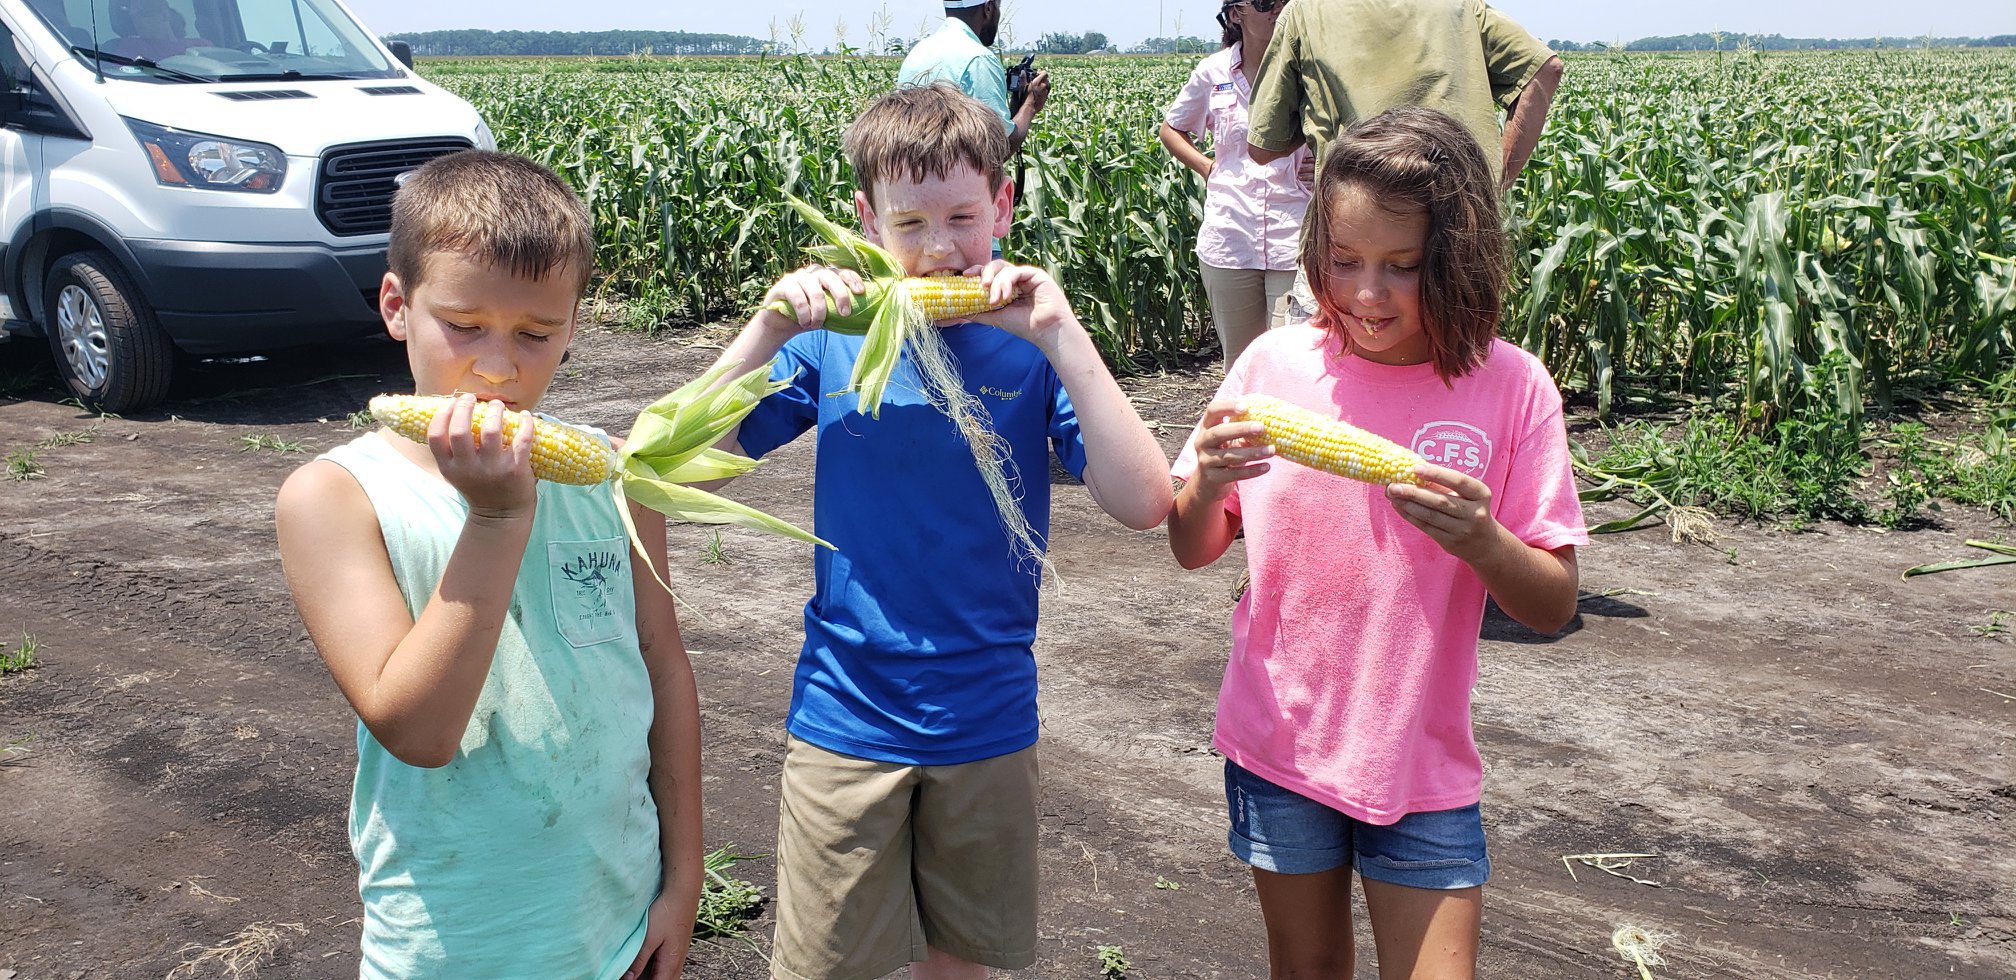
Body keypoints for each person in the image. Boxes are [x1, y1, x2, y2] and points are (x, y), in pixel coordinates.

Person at [704, 82, 1171, 980]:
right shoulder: (830, 342)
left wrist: (1064, 332)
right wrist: (765, 331)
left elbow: (1145, 500)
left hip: (986, 721)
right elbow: (686, 458)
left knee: (962, 965)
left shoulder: (1030, 345)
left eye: (962, 216)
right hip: (846, 718)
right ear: (866, 221)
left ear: (1003, 203)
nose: (939, 250)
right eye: (908, 224)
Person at [1167, 107, 1586, 979]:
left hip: (1420, 759)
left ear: (1457, 258)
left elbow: (1550, 602)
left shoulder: (1509, 386)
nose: (1366, 294)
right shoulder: (1273, 367)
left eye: (1401, 268)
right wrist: (1204, 479)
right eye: (1344, 262)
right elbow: (1194, 544)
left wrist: (1484, 541)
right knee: (1309, 965)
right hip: (1279, 744)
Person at [274, 150, 702, 980]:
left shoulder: (618, 481)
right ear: (397, 306)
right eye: (464, 326)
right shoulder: (334, 499)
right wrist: (501, 517)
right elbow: (419, 730)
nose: (500, 370)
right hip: (452, 944)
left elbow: (663, 667)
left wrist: (683, 881)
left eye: (537, 334)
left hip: (615, 926)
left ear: (575, 325)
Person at [1157, 0, 1312, 370]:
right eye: (1264, 3)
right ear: (1235, 14)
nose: (1277, 9)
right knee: (1240, 367)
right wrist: (1209, 168)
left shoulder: (1310, 70)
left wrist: (1324, 164)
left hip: (1294, 234)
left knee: (1292, 361)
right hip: (1230, 236)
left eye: (1284, 1)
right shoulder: (1213, 71)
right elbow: (1171, 129)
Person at [898, 1, 1049, 156]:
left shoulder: (918, 52)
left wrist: (1017, 103)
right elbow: (996, 151)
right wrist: (1030, 104)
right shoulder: (979, 59)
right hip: (950, 176)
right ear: (989, 8)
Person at [110, 0, 211, 60]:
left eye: (144, 14)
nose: (138, 22)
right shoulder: (131, 46)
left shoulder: (201, 45)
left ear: (164, 15)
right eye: (134, 17)